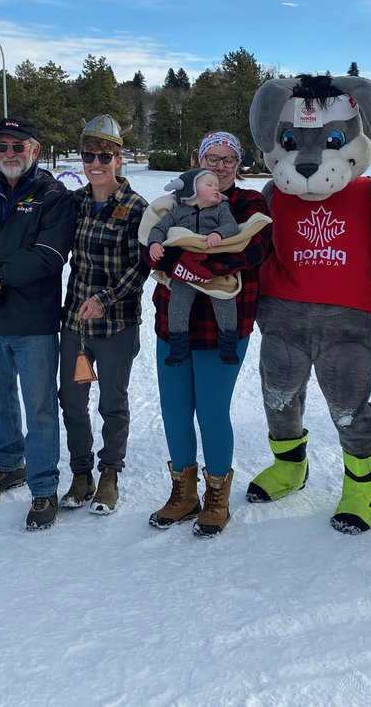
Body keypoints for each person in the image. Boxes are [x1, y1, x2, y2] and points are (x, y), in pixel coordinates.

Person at [143, 131, 272, 538]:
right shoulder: (176, 200)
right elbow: (151, 239)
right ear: (198, 156)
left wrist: (191, 260)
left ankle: (217, 497)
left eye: (228, 160)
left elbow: (253, 250)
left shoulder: (249, 203)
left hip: (223, 327)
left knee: (212, 411)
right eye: (211, 158)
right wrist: (170, 252)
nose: (219, 166)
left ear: (238, 164)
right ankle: (183, 494)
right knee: (175, 411)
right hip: (174, 324)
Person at [0, 115, 75, 531]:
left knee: (39, 407)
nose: (8, 154)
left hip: (32, 322)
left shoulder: (53, 196)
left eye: (17, 147)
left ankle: (43, 487)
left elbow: (49, 254)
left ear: (34, 151)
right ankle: (10, 465)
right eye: (1, 146)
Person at [56, 115, 149, 515]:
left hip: (116, 326)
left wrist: (106, 299)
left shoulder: (135, 207)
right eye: (89, 155)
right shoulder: (75, 203)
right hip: (76, 326)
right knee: (73, 400)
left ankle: (109, 473)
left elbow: (141, 266)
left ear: (118, 159)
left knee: (112, 403)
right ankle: (81, 474)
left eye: (105, 156)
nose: (96, 163)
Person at [147, 168, 242, 365]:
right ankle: (178, 345)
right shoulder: (177, 212)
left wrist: (218, 233)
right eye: (209, 185)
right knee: (178, 304)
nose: (216, 188)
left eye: (217, 186)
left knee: (225, 298)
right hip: (185, 269)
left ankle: (228, 343)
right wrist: (155, 243)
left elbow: (231, 226)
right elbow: (159, 228)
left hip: (213, 267)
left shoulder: (221, 209)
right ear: (190, 190)